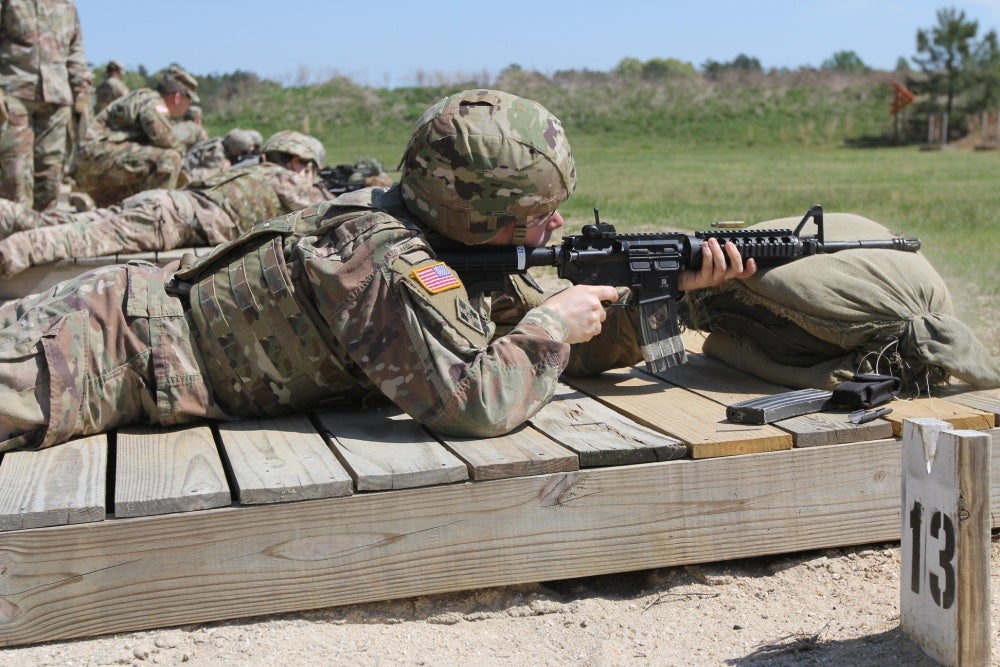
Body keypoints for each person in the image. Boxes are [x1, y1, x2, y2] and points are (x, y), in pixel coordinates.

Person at [0, 89, 753, 452]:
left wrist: (661, 298)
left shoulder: (436, 235)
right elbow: (475, 400)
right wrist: (553, 324)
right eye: (537, 212)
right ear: (478, 214)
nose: (553, 224)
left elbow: (531, 341)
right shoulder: (382, 255)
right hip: (105, 348)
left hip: (134, 341)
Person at [0, 130, 332, 276]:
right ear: (300, 163)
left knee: (66, 225)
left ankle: (7, 213)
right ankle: (9, 254)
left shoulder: (252, 172)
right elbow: (334, 211)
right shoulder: (287, 179)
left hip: (162, 203)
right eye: (310, 170)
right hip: (171, 219)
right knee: (76, 240)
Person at [0, 0, 92, 212]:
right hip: (14, 94)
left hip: (56, 100)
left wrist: (81, 93)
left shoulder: (67, 6)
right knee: (16, 180)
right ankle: (12, 239)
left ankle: (40, 238)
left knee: (50, 181)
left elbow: (75, 52)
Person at [73, 70, 198, 207]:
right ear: (177, 97)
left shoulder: (145, 98)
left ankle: (110, 208)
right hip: (100, 156)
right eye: (189, 100)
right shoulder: (153, 101)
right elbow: (164, 138)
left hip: (94, 161)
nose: (188, 106)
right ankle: (153, 216)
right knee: (170, 158)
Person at [182, 128, 262, 182]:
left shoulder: (219, 141)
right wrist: (224, 168)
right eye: (243, 152)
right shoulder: (216, 152)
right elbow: (210, 177)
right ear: (235, 148)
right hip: (187, 176)